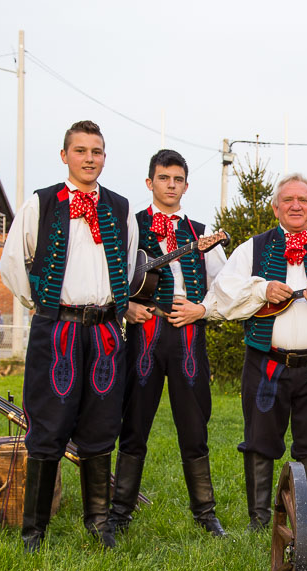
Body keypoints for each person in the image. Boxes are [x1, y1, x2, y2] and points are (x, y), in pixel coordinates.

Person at [0, 119, 138, 551]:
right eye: (81, 151)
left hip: (105, 330)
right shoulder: (41, 203)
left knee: (102, 421)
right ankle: (34, 530)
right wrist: (41, 303)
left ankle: (98, 523)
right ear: (65, 156)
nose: (89, 159)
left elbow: (128, 264)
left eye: (96, 152)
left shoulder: (120, 207)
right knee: (48, 423)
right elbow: (13, 261)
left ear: (104, 157)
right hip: (56, 327)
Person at [214, 172, 307, 528]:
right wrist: (261, 290)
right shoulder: (253, 248)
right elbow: (223, 294)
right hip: (265, 363)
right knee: (259, 440)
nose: (295, 206)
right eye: (288, 200)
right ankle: (259, 521)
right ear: (275, 208)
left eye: (302, 200)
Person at [109, 149, 228, 538]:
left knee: (194, 426)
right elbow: (111, 273)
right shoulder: (130, 226)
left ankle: (205, 513)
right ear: (150, 182)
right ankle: (120, 513)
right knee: (135, 423)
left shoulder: (201, 232)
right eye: (163, 178)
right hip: (146, 332)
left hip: (188, 335)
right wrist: (125, 307)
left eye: (178, 179)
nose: (171, 185)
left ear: (186, 186)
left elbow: (225, 286)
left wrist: (202, 309)